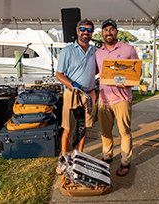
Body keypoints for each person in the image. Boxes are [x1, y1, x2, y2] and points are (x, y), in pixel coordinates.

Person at [95, 19, 139, 177]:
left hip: (122, 99)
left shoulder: (128, 49)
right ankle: (107, 156)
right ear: (102, 33)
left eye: (111, 29)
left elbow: (136, 73)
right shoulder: (98, 52)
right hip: (103, 100)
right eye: (105, 30)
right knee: (105, 132)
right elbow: (94, 72)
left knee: (124, 132)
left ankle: (125, 161)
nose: (108, 32)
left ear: (116, 32)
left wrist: (126, 82)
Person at [55, 19, 96, 173]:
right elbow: (59, 74)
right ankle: (64, 159)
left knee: (83, 127)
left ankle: (79, 157)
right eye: (83, 29)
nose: (86, 33)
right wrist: (73, 85)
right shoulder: (67, 51)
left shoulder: (94, 51)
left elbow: (97, 70)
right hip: (72, 94)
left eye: (89, 30)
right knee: (68, 127)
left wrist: (93, 89)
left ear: (92, 33)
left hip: (89, 95)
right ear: (78, 31)